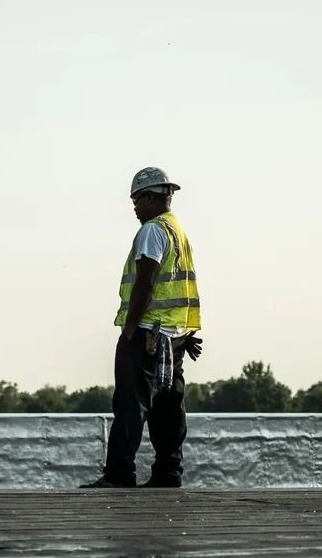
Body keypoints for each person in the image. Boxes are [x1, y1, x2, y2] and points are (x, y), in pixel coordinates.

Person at [81, 167, 203, 489]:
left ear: (152, 198)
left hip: (147, 334)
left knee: (130, 404)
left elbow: (146, 282)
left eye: (137, 199)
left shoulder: (152, 230)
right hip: (173, 338)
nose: (134, 207)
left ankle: (120, 474)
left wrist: (131, 329)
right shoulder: (178, 231)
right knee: (168, 408)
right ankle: (168, 473)